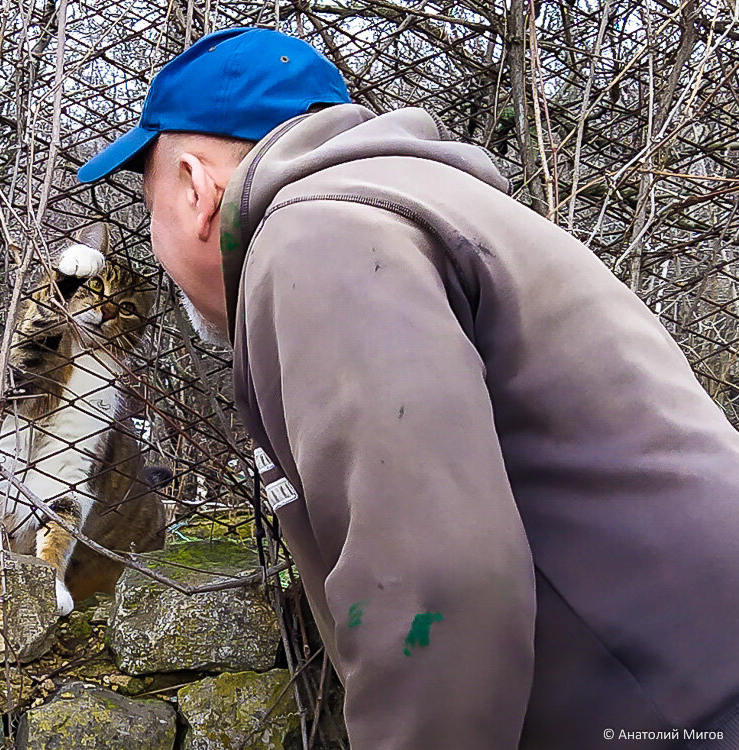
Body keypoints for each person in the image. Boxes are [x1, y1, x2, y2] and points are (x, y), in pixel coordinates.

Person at [76, 26, 739, 750]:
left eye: (149, 210)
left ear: (197, 189)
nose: (153, 239)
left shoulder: (316, 238)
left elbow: (436, 582)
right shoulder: (410, 205)